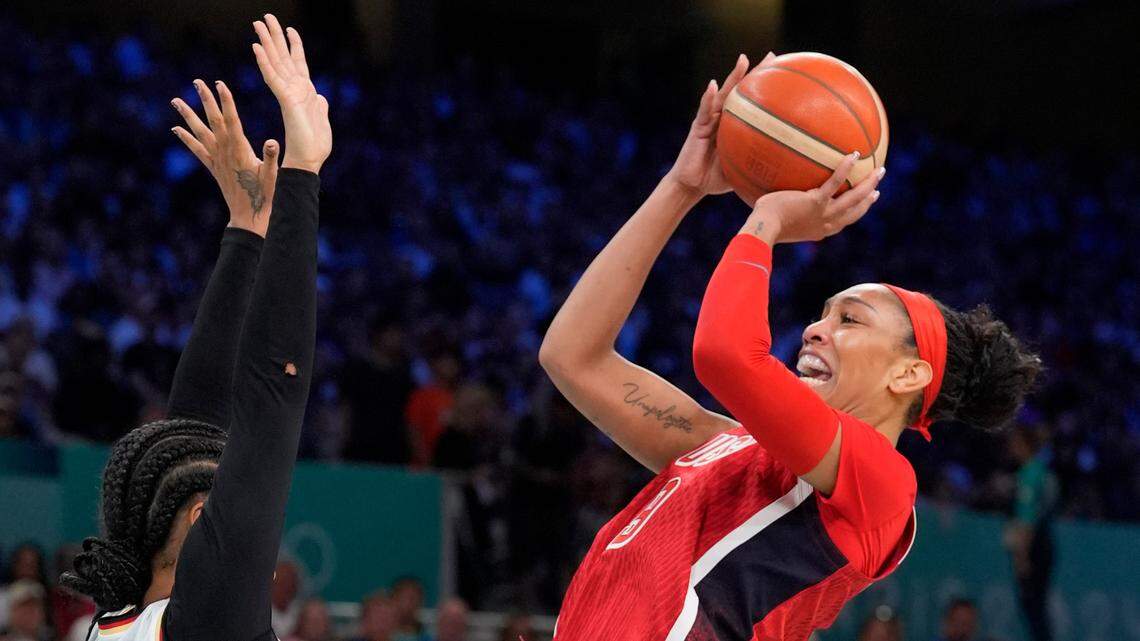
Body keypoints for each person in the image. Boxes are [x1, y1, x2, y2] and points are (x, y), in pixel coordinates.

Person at [540, 53, 1042, 640]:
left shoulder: (882, 486)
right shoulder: (724, 450)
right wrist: (682, 188)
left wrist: (768, 220)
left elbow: (727, 357)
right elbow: (572, 356)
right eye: (822, 313)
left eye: (850, 319)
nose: (815, 328)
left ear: (908, 374)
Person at [57, 14, 331, 641]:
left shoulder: (126, 622)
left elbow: (201, 423)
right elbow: (270, 397)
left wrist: (250, 227)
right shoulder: (194, 621)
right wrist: (300, 177)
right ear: (204, 514)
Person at [1004, 426, 1057, 641]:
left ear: (1025, 445)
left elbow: (1026, 519)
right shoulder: (1043, 472)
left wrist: (1021, 556)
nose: (1011, 448)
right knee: (1037, 607)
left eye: (1015, 443)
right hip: (1044, 543)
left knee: (1032, 606)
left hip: (1033, 546)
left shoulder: (1029, 474)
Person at [272, 559, 304, 638]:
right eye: (281, 583)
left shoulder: (301, 613)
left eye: (290, 583)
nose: (286, 588)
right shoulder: (261, 613)